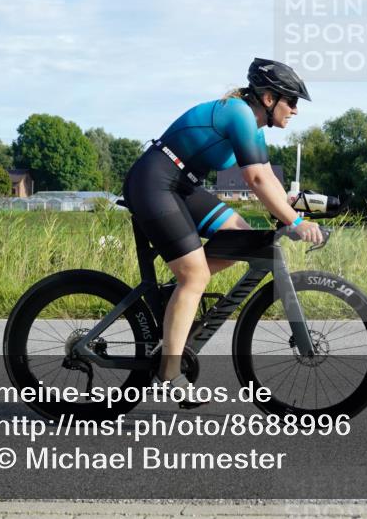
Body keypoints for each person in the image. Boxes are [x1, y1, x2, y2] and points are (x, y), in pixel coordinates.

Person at [122, 57, 323, 407]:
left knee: (241, 235)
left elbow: (267, 176)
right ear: (268, 98)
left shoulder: (252, 124)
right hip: (154, 182)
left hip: (180, 185)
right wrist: (294, 222)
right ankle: (169, 373)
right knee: (195, 275)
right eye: (291, 100)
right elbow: (256, 180)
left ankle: (178, 294)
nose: (295, 110)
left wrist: (291, 206)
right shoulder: (239, 114)